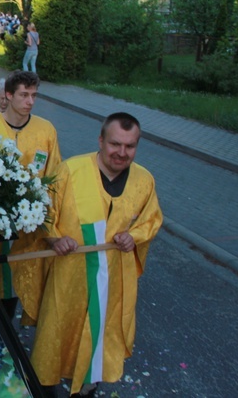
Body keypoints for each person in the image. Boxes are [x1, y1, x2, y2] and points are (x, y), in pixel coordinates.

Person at [31, 112, 162, 397]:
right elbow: (43, 211)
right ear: (101, 140)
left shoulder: (144, 180)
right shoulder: (71, 170)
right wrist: (54, 238)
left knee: (99, 335)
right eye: (115, 144)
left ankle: (88, 386)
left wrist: (134, 237)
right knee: (57, 334)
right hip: (70, 274)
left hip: (112, 281)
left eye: (130, 146)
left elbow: (150, 221)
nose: (122, 153)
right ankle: (46, 386)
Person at [0, 71, 61, 323]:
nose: (30, 101)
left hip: (30, 229)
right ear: (8, 96)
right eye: (24, 95)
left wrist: (50, 220)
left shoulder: (46, 130)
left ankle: (9, 337)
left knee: (19, 284)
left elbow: (55, 176)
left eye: (34, 95)